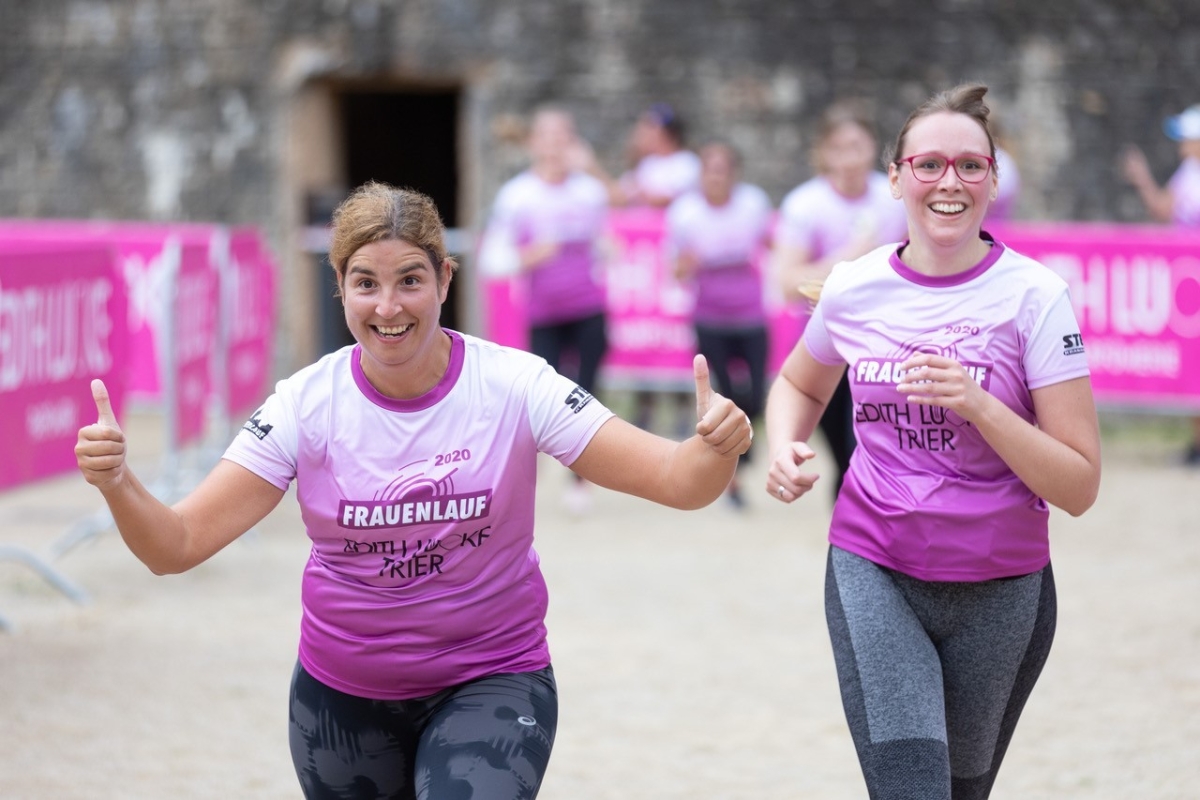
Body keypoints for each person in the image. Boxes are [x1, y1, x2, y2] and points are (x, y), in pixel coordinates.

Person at [76, 182, 753, 800]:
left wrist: (715, 447)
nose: (389, 306)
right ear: (339, 286)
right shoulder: (304, 405)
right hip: (341, 699)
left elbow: (677, 481)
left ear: (445, 279)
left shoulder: (517, 385)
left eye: (410, 280)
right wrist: (118, 483)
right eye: (366, 283)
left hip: (492, 677)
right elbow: (178, 545)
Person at [765, 84, 1101, 799]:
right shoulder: (854, 288)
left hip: (1004, 587)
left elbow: (1078, 486)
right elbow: (799, 383)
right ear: (896, 178)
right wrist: (785, 445)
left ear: (992, 180)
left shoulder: (1036, 298)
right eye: (928, 164)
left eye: (970, 166)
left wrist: (981, 405)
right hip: (875, 566)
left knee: (960, 792)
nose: (950, 182)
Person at [773, 101, 909, 498]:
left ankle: (862, 516)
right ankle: (848, 502)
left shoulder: (894, 198)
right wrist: (847, 259)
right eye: (839, 147)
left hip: (886, 342)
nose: (849, 157)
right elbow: (787, 281)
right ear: (824, 152)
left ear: (874, 149)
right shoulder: (804, 204)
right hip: (826, 341)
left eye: (858, 146)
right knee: (841, 444)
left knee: (866, 446)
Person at [483, 107, 612, 510]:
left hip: (590, 308)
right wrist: (531, 257)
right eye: (547, 135)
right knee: (543, 399)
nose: (556, 144)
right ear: (533, 143)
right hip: (544, 314)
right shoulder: (517, 196)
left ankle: (581, 481)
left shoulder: (590, 192)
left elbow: (607, 240)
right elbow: (492, 260)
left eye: (564, 136)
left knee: (587, 393)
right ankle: (526, 481)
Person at [665, 141, 773, 508]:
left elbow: (776, 244)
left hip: (751, 314)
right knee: (723, 395)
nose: (715, 176)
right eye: (709, 169)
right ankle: (733, 476)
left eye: (722, 169)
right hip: (710, 317)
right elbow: (675, 269)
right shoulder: (685, 213)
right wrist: (690, 263)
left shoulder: (753, 204)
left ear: (734, 174)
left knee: (756, 395)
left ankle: (745, 444)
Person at [1120, 102, 1200, 465]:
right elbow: (1163, 210)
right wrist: (1142, 178)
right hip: (1189, 287)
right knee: (1191, 361)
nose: (1182, 143)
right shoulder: (1187, 172)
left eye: (1187, 136)